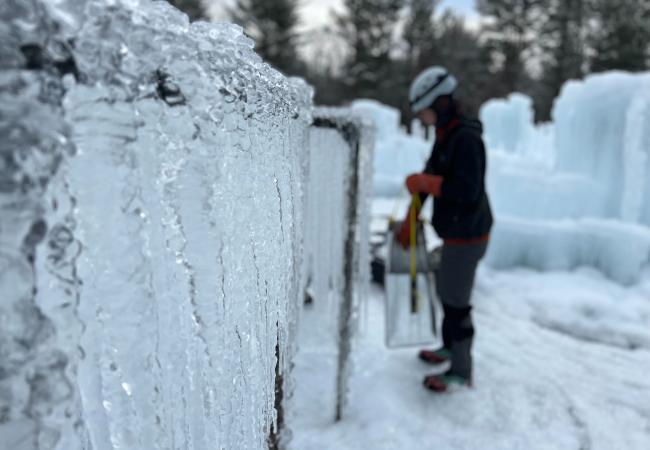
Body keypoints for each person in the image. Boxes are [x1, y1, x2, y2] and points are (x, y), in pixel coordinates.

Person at [395, 66, 493, 392]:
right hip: (455, 233)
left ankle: (461, 371)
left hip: (470, 235)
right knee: (446, 292)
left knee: (456, 303)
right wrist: (410, 219)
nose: (423, 118)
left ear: (439, 103)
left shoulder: (466, 138)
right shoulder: (445, 135)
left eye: (424, 110)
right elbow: (427, 180)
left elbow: (468, 190)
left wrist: (427, 182)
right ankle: (449, 348)